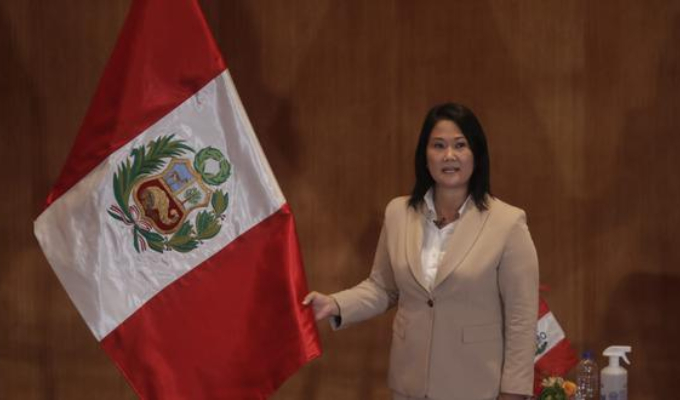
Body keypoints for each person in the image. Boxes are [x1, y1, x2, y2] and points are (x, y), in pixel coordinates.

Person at [303, 103, 539, 400]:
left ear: (476, 154)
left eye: (460, 145)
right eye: (438, 145)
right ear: (425, 156)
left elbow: (522, 317)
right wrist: (334, 304)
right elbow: (382, 288)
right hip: (409, 384)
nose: (449, 155)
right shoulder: (398, 213)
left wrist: (514, 392)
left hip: (475, 387)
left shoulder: (508, 222)